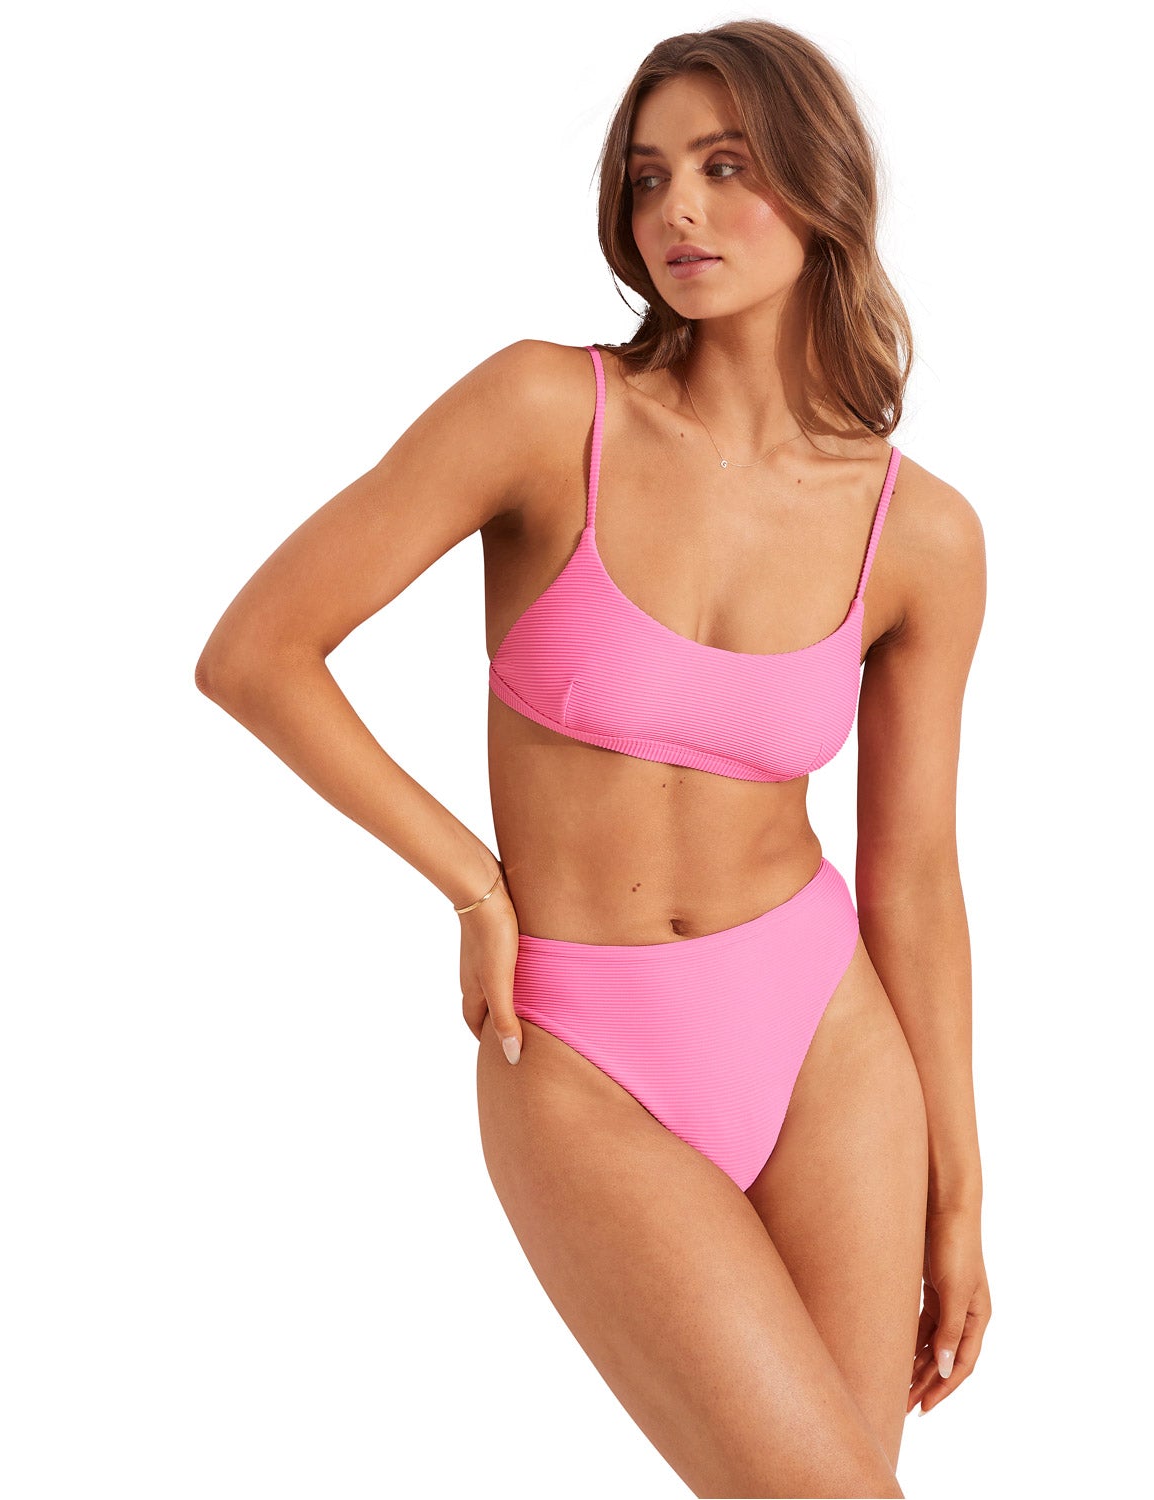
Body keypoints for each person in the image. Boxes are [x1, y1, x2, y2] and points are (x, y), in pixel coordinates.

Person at [196, 18, 988, 1498]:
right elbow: (258, 653)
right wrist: (474, 885)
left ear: (823, 185)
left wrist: (961, 1185)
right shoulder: (545, 412)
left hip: (824, 1034)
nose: (680, 208)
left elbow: (918, 880)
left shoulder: (923, 533)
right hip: (576, 1043)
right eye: (649, 176)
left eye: (727, 166)